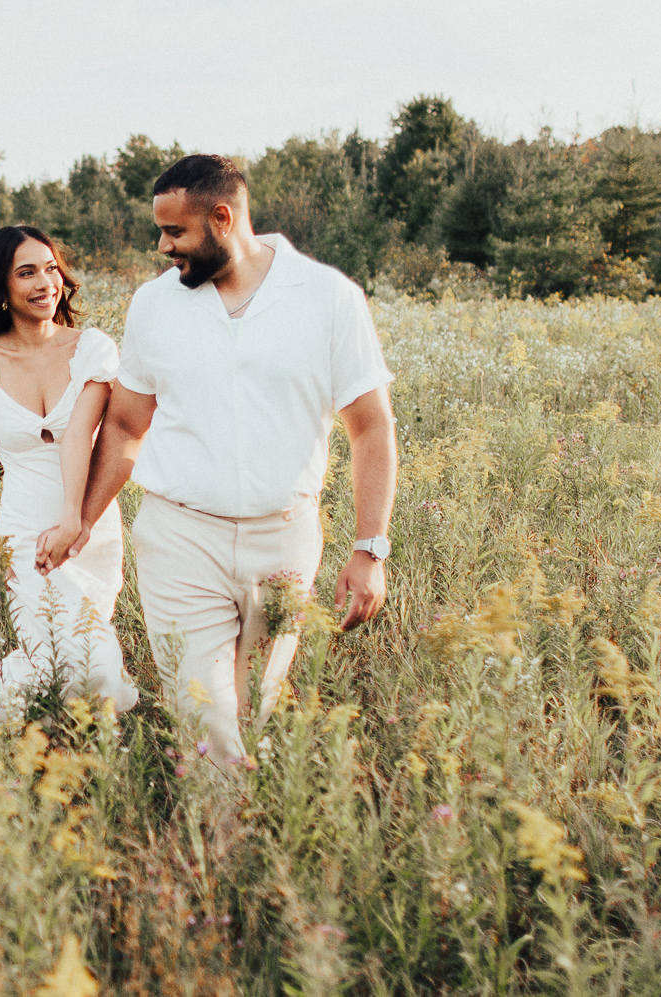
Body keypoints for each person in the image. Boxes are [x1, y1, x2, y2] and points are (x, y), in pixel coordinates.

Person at [38, 155, 398, 765]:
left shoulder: (329, 298)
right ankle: (210, 849)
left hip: (284, 542)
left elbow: (371, 428)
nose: (162, 246)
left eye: (175, 232)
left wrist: (370, 549)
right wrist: (82, 518)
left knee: (249, 710)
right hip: (181, 539)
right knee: (204, 714)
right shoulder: (155, 305)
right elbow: (126, 425)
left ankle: (230, 844)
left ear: (223, 218)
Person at [0, 225, 139, 721]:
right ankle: (13, 709)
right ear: (1, 286)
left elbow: (79, 436)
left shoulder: (91, 349)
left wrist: (75, 520)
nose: (45, 283)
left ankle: (12, 705)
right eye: (26, 272)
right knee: (69, 658)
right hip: (25, 527)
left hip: (89, 525)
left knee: (85, 662)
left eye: (50, 268)